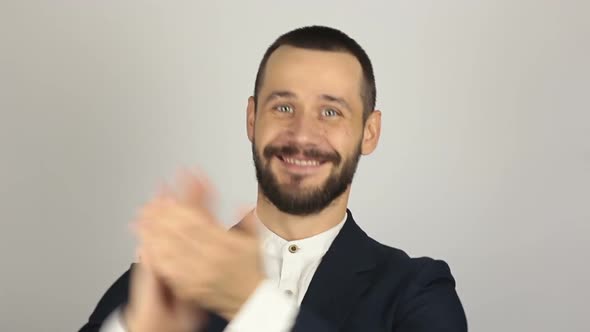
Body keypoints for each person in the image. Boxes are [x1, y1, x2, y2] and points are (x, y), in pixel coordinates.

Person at [79, 25, 467, 332]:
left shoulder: (417, 288)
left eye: (330, 112)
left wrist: (256, 308)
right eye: (283, 106)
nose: (301, 134)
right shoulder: (167, 278)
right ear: (252, 119)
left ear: (369, 131)